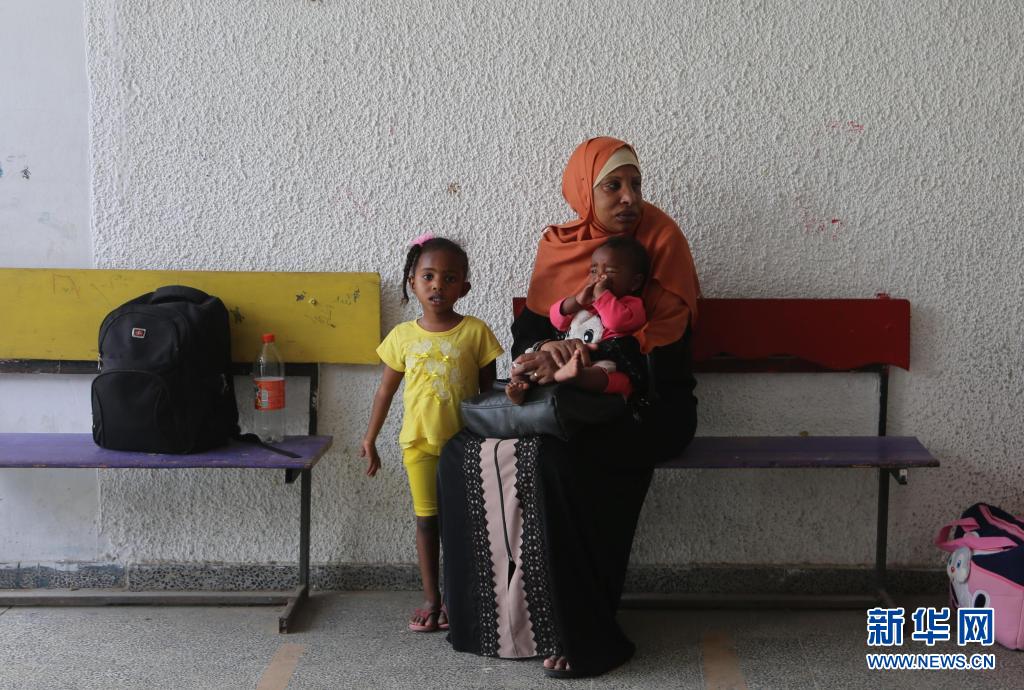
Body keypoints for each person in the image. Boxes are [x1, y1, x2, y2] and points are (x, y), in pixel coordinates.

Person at [437, 137, 700, 678]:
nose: (629, 198)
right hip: (567, 400)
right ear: (584, 191)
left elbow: (665, 357)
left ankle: (586, 634)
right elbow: (531, 335)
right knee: (460, 451)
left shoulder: (661, 241)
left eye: (636, 185)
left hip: (644, 402)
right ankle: (494, 622)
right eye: (613, 186)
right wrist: (547, 350)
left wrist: (597, 357)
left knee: (560, 461)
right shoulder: (560, 247)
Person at [360, 234, 503, 632]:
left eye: (449, 278)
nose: (438, 284)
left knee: (465, 524)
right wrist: (370, 439)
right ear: (412, 282)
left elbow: (490, 396)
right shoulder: (402, 337)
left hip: (467, 446)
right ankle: (431, 599)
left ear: (464, 288)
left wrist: (496, 441)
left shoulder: (476, 332)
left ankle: (461, 599)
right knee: (427, 522)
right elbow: (385, 391)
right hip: (419, 446)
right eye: (428, 276)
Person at [506, 235, 649, 403]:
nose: (600, 277)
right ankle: (519, 385)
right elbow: (556, 320)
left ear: (634, 282)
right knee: (529, 356)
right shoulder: (586, 303)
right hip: (568, 354)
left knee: (617, 378)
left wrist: (602, 296)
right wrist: (576, 302)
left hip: (598, 360)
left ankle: (577, 376)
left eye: (610, 272)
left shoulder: (633, 305)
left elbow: (615, 322)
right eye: (594, 271)